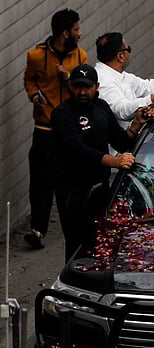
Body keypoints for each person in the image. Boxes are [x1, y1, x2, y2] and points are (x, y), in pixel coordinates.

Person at [51, 64, 154, 262]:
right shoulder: (62, 114)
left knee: (102, 238)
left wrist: (136, 124)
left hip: (100, 187)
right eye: (78, 87)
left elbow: (120, 141)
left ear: (96, 86)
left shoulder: (101, 107)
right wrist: (114, 161)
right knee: (77, 243)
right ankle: (74, 284)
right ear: (71, 87)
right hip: (73, 191)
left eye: (87, 87)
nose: (83, 92)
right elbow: (78, 150)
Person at [23, 8, 88, 249]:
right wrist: (34, 96)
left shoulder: (80, 56)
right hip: (45, 126)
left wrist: (68, 76)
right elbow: (29, 80)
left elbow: (83, 91)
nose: (80, 33)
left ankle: (70, 228)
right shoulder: (37, 56)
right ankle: (37, 229)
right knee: (40, 179)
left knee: (66, 181)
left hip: (68, 129)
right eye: (76, 30)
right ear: (65, 33)